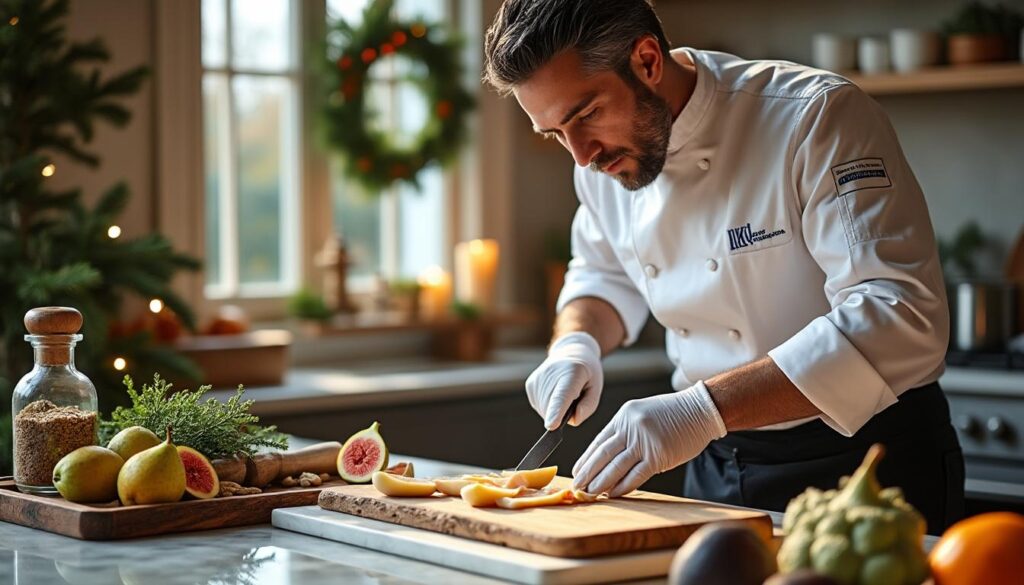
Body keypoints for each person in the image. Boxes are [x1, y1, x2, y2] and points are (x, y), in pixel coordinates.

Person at [484, 0, 964, 532]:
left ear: (647, 60)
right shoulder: (603, 160)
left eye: (587, 114)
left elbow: (897, 318)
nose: (580, 155)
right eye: (554, 133)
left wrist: (698, 411)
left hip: (864, 466)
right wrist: (575, 343)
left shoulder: (814, 117)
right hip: (714, 470)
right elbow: (603, 274)